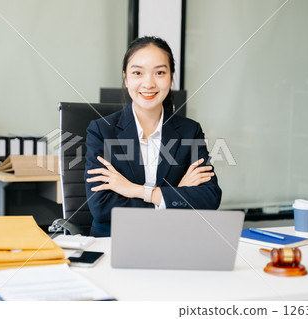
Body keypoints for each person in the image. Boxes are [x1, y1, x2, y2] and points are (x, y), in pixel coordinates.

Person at [84, 36, 222, 237]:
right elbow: (102, 206)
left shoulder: (189, 131)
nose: (148, 83)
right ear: (126, 77)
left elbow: (209, 198)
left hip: (174, 239)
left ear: (171, 77)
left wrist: (136, 191)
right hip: (115, 240)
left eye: (159, 72)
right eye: (138, 72)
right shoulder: (101, 131)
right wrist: (174, 193)